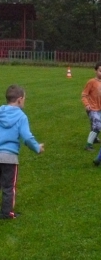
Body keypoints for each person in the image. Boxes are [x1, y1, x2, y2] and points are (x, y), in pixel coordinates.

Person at [0, 85, 44, 219]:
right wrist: (37, 147)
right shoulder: (21, 117)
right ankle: (7, 213)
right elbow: (27, 137)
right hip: (9, 158)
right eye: (24, 99)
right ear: (19, 100)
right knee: (8, 187)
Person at [81, 61, 101, 151]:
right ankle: (88, 145)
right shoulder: (91, 82)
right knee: (97, 126)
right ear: (95, 71)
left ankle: (94, 139)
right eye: (100, 71)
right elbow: (84, 94)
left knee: (100, 126)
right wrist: (87, 104)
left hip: (99, 109)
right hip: (92, 108)